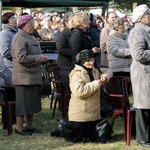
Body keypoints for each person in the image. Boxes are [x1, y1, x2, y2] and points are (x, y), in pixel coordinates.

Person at [60, 49, 112, 143]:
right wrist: (97, 83)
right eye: (88, 61)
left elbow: (108, 71)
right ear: (82, 61)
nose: (92, 63)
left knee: (102, 134)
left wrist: (105, 77)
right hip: (80, 116)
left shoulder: (95, 70)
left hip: (94, 115)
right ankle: (61, 127)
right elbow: (79, 92)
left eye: (93, 60)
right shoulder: (76, 74)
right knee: (78, 138)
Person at [11, 14, 48, 136]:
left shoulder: (29, 36)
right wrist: (39, 59)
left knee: (32, 103)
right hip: (23, 77)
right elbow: (21, 58)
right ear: (24, 25)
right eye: (31, 25)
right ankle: (19, 128)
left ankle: (30, 126)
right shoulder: (19, 38)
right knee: (22, 104)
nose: (33, 27)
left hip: (32, 76)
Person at [128, 4, 150, 147]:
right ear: (141, 17)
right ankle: (142, 138)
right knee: (143, 105)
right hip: (143, 73)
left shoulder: (146, 30)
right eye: (148, 14)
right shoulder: (137, 32)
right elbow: (138, 54)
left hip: (147, 72)